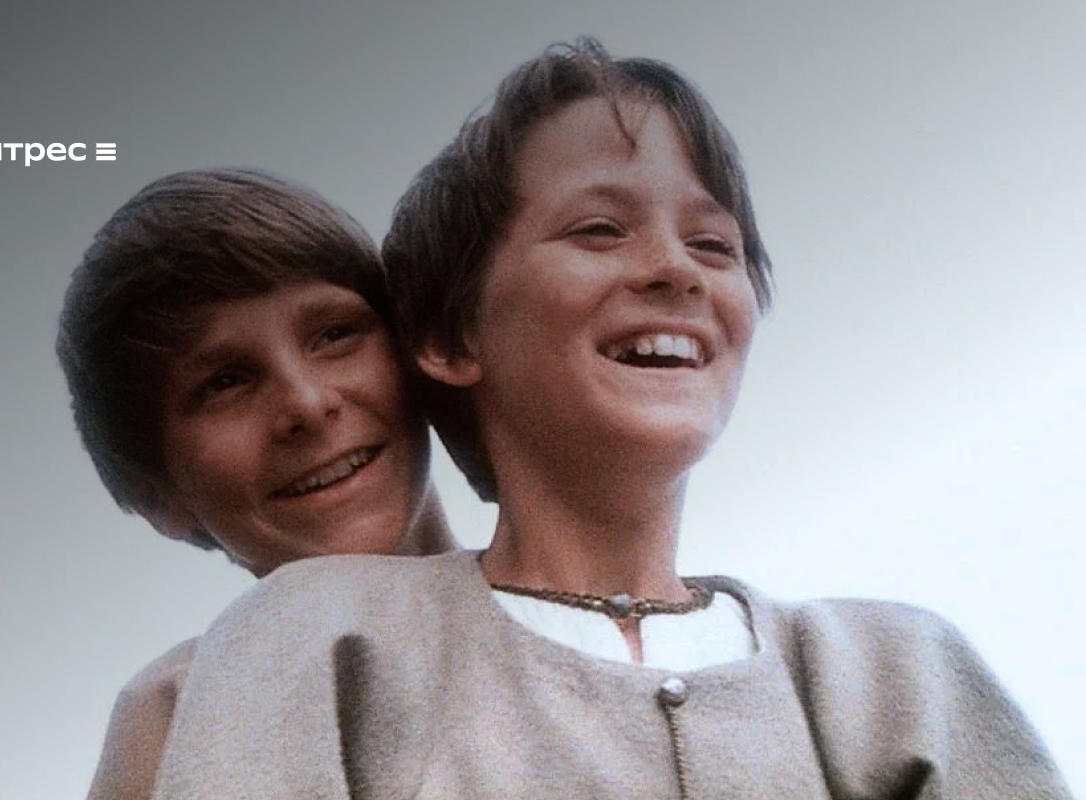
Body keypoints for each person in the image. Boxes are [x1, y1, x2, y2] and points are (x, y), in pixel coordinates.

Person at [145, 42, 1072, 799]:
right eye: (599, 229)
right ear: (451, 335)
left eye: (715, 244)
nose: (677, 269)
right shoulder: (310, 638)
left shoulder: (897, 673)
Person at [56, 168, 455, 800]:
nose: (307, 404)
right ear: (159, 497)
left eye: (335, 334)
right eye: (225, 382)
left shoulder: (599, 606)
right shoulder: (181, 714)